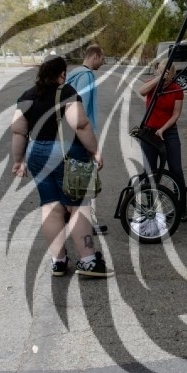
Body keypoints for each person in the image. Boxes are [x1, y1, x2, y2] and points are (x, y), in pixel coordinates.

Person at [11, 56, 112, 277]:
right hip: (65, 151)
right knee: (77, 205)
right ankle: (88, 262)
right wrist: (94, 151)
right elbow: (80, 124)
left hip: (37, 152)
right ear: (62, 74)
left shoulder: (27, 96)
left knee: (50, 206)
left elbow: (18, 130)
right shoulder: (65, 92)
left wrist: (19, 161)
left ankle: (58, 261)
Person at [137, 60, 187, 222]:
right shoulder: (152, 84)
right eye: (160, 71)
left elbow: (176, 114)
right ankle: (151, 207)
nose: (164, 75)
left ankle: (181, 208)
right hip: (149, 132)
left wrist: (163, 129)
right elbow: (142, 91)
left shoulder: (176, 89)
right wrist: (158, 79)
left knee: (176, 170)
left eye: (166, 72)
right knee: (150, 171)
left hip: (169, 132)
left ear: (173, 74)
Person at [65, 44, 108, 234]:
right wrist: (91, 145)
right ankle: (85, 223)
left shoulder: (73, 74)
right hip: (79, 135)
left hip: (68, 134)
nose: (103, 62)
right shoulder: (87, 76)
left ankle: (71, 218)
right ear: (95, 56)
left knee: (71, 178)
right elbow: (80, 109)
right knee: (84, 181)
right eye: (102, 58)